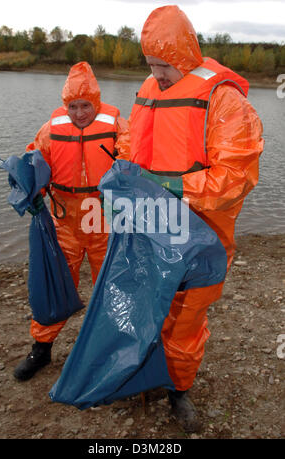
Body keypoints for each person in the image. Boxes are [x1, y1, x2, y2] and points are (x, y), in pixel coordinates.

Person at [125, 5, 264, 432]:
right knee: (148, 309)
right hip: (150, 227)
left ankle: (179, 391)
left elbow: (237, 176)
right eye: (151, 66)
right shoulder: (150, 88)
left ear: (183, 57)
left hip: (202, 233)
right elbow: (132, 145)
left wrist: (174, 187)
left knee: (186, 318)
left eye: (163, 66)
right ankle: (142, 377)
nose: (158, 75)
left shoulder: (225, 100)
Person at [14, 61, 129, 381]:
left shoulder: (117, 124)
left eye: (86, 106)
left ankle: (114, 347)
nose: (79, 113)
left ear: (97, 102)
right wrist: (26, 182)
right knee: (53, 285)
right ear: (66, 105)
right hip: (64, 222)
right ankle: (41, 348)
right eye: (73, 106)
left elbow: (133, 157)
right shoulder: (51, 129)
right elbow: (34, 158)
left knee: (112, 287)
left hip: (103, 221)